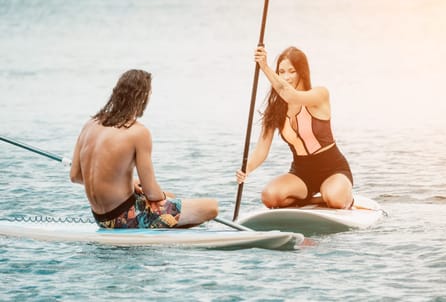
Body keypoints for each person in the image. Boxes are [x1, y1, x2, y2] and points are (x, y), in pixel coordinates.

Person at [70, 69, 218, 229]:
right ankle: (160, 229)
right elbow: (152, 193)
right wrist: (161, 199)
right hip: (126, 218)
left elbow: (76, 176)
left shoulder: (90, 124)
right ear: (142, 98)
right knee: (211, 207)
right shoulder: (138, 132)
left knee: (171, 197)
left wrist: (125, 183)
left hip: (101, 219)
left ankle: (163, 223)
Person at [236, 47, 354, 209]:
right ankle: (314, 200)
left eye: (292, 71)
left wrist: (264, 66)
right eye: (281, 72)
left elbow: (289, 94)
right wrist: (246, 169)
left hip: (333, 168)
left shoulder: (319, 95)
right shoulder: (275, 110)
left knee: (335, 199)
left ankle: (338, 196)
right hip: (302, 172)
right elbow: (262, 149)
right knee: (270, 197)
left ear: (302, 72)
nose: (286, 77)